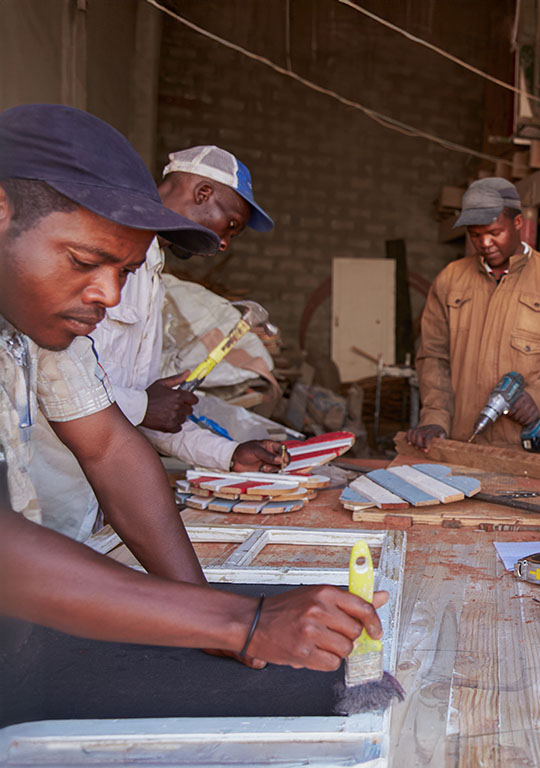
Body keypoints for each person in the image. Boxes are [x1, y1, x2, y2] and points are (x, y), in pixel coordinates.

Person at [0, 103, 385, 670]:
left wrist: (209, 615)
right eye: (84, 260)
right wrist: (239, 622)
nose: (108, 295)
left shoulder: (43, 322)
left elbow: (108, 445)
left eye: (125, 273)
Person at [30, 144, 282, 540]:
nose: (223, 243)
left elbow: (145, 413)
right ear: (202, 194)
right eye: (230, 224)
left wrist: (231, 456)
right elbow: (52, 384)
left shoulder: (151, 278)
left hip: (94, 504)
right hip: (43, 499)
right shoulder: (103, 257)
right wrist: (145, 405)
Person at [406, 177, 540, 451]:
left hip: (520, 449)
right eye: (475, 235)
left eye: (495, 232)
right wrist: (435, 418)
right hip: (458, 441)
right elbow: (433, 356)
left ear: (518, 224)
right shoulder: (450, 281)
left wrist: (539, 397)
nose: (485, 242)